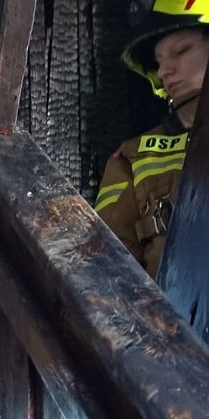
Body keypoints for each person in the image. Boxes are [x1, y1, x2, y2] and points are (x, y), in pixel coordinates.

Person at [95, 1, 209, 278]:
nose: (163, 71)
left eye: (180, 50)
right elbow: (101, 274)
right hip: (169, 319)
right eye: (158, 62)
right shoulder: (134, 157)